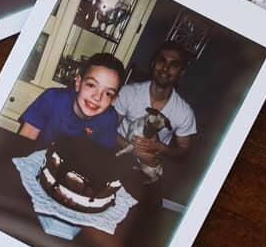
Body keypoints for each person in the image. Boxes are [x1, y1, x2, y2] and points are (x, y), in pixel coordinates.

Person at [114, 43, 196, 171]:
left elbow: (183, 153)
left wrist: (160, 147)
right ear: (153, 64)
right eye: (161, 61)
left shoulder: (185, 112)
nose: (165, 68)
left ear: (181, 72)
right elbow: (106, 127)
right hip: (117, 153)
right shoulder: (128, 92)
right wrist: (133, 151)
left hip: (147, 166)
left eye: (174, 65)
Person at [17, 52, 125, 149]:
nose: (97, 97)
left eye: (108, 93)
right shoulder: (52, 99)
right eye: (91, 85)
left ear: (113, 100)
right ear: (78, 83)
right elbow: (23, 143)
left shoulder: (108, 119)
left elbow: (99, 160)